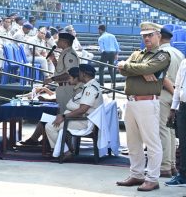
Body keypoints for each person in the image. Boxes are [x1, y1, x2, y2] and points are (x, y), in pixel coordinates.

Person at [116, 22, 172, 192]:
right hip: (131, 101)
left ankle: (152, 178)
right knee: (133, 142)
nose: (146, 38)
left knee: (152, 142)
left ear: (158, 36)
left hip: (148, 102)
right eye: (144, 36)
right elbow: (122, 70)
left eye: (150, 35)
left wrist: (128, 66)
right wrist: (139, 70)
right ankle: (137, 174)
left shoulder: (162, 55)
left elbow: (149, 67)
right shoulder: (137, 53)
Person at [45, 64, 103, 161]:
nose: (78, 75)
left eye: (79, 73)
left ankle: (65, 152)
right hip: (83, 118)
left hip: (85, 121)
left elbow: (82, 110)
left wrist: (64, 116)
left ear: (84, 74)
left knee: (50, 126)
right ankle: (63, 150)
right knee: (54, 123)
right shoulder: (91, 85)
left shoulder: (90, 89)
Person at [158, 25, 184, 177]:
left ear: (159, 37)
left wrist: (174, 94)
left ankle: (165, 166)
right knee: (171, 131)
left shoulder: (161, 53)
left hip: (165, 93)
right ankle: (172, 165)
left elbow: (163, 78)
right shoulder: (178, 53)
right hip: (176, 96)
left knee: (163, 131)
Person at [43, 31, 81, 109]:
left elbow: (70, 74)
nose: (57, 42)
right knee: (61, 111)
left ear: (65, 42)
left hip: (67, 88)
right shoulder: (64, 53)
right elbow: (60, 70)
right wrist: (53, 59)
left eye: (59, 40)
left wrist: (52, 79)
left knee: (65, 112)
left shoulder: (69, 54)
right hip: (62, 87)